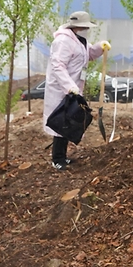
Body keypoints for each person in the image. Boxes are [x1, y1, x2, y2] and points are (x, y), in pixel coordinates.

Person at [43, 11, 109, 171]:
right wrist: (68, 85)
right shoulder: (63, 41)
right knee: (61, 122)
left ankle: (62, 156)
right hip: (61, 89)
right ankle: (57, 158)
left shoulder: (80, 40)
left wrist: (100, 47)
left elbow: (88, 55)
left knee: (68, 121)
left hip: (74, 88)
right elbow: (58, 65)